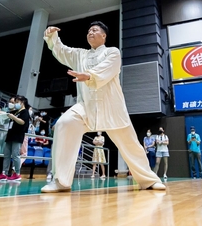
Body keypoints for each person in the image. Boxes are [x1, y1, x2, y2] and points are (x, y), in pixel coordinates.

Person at [40, 22, 165, 192]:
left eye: (95, 30)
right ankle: (61, 181)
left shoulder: (112, 52)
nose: (90, 32)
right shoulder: (80, 55)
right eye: (89, 30)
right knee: (64, 124)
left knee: (130, 145)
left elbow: (108, 69)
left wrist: (89, 75)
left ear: (104, 35)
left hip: (112, 107)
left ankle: (149, 180)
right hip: (86, 106)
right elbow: (62, 51)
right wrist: (52, 36)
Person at [0, 96, 30, 182]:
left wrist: (13, 117)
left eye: (17, 102)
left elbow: (22, 122)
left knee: (15, 155)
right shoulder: (16, 112)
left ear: (22, 102)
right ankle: (4, 173)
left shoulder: (25, 112)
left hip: (17, 136)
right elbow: (5, 113)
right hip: (10, 135)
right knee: (6, 155)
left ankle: (17, 174)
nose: (15, 104)